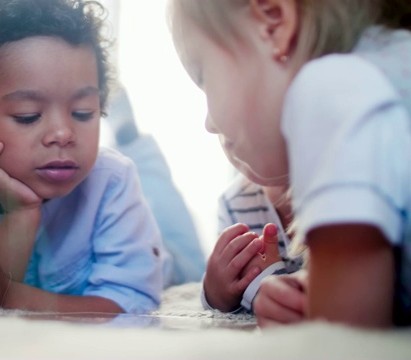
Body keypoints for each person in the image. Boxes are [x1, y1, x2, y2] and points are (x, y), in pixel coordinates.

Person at [0, 0, 167, 314]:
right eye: (28, 116)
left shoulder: (113, 180)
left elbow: (131, 304)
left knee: (172, 219)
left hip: (157, 248)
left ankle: (130, 136)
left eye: (84, 113)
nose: (63, 133)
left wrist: (10, 296)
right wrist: (19, 215)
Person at [169, 0, 411, 328]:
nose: (209, 124)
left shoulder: (333, 90)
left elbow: (342, 339)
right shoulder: (386, 69)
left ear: (273, 23)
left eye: (203, 77)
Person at [105, 85, 206, 285]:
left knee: (161, 206)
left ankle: (134, 146)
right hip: (178, 269)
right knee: (162, 200)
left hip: (169, 264)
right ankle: (135, 146)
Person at [201, 137, 303, 313]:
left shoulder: (339, 193)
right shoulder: (233, 203)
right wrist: (216, 295)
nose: (209, 125)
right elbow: (223, 299)